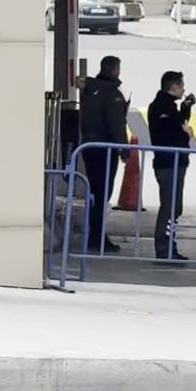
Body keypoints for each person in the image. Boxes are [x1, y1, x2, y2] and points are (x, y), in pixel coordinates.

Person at [79, 55, 129, 254]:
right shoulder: (112, 94)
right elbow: (117, 125)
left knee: (94, 193)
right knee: (102, 194)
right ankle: (98, 237)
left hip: (89, 147)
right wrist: (125, 151)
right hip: (105, 149)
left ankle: (94, 234)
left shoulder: (90, 91)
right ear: (116, 70)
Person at [147, 71, 194, 262]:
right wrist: (186, 134)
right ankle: (164, 248)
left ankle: (169, 246)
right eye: (181, 86)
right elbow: (172, 135)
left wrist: (185, 109)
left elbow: (178, 124)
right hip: (168, 163)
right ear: (173, 87)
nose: (183, 89)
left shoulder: (169, 107)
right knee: (170, 207)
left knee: (175, 207)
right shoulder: (161, 108)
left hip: (174, 162)